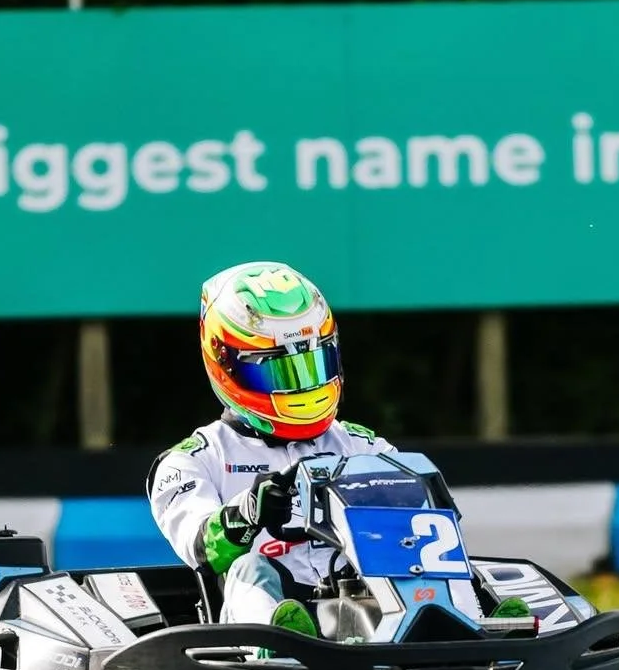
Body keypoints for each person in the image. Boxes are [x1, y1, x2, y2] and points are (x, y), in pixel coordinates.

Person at [148, 260, 529, 636]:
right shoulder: (194, 460)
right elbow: (200, 549)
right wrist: (246, 513)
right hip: (270, 612)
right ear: (225, 364)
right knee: (251, 568)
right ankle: (281, 641)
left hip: (366, 604)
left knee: (436, 550)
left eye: (313, 364)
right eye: (279, 371)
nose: (302, 386)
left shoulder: (362, 445)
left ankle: (474, 623)